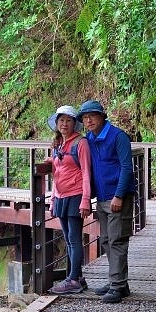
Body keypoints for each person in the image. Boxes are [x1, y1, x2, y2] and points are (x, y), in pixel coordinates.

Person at [77, 100, 136, 303]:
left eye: (92, 116)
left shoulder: (118, 136)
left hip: (119, 196)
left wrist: (119, 195)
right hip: (101, 197)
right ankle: (119, 283)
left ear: (102, 116)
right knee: (106, 240)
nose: (88, 120)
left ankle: (117, 286)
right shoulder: (89, 139)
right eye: (85, 118)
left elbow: (127, 168)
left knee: (117, 240)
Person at [46, 105, 92, 294]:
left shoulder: (80, 143)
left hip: (76, 195)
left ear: (75, 124)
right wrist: (52, 199)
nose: (64, 124)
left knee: (74, 239)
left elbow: (87, 173)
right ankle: (78, 277)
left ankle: (72, 280)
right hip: (61, 196)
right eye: (61, 120)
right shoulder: (58, 144)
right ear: (56, 123)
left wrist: (86, 200)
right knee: (67, 238)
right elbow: (56, 174)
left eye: (69, 120)